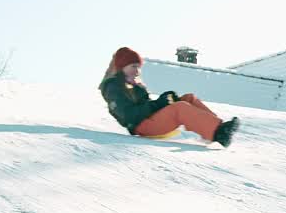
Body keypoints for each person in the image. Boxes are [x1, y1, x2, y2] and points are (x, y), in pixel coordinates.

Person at [99, 47, 240, 147]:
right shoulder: (113, 88)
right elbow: (129, 116)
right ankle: (217, 133)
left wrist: (164, 100)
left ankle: (217, 128)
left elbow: (146, 106)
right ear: (121, 66)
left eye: (139, 67)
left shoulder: (134, 86)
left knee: (188, 98)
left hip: (149, 120)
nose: (138, 71)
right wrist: (158, 104)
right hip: (140, 127)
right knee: (180, 108)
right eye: (133, 66)